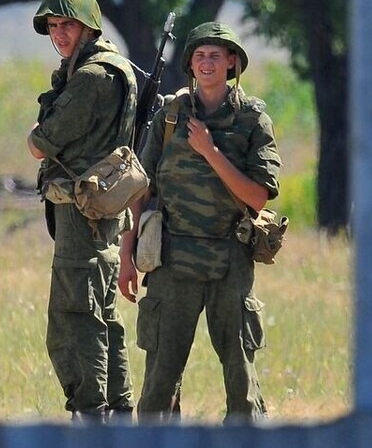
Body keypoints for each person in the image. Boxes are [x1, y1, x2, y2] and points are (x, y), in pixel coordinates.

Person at [117, 21, 281, 423]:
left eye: (216, 55)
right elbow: (141, 189)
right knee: (158, 385)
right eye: (199, 56)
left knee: (241, 383)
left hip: (229, 259)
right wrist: (127, 255)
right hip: (172, 260)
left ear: (231, 63)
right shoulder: (171, 115)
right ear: (189, 63)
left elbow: (258, 196)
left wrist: (209, 151)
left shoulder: (252, 119)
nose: (207, 63)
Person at [26, 0, 136, 422]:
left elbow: (40, 144)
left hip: (83, 211)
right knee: (104, 316)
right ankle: (119, 411)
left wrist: (36, 133)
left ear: (89, 26)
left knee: (75, 318)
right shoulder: (116, 68)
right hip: (106, 208)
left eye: (67, 24)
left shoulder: (91, 76)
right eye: (53, 26)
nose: (59, 34)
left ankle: (91, 415)